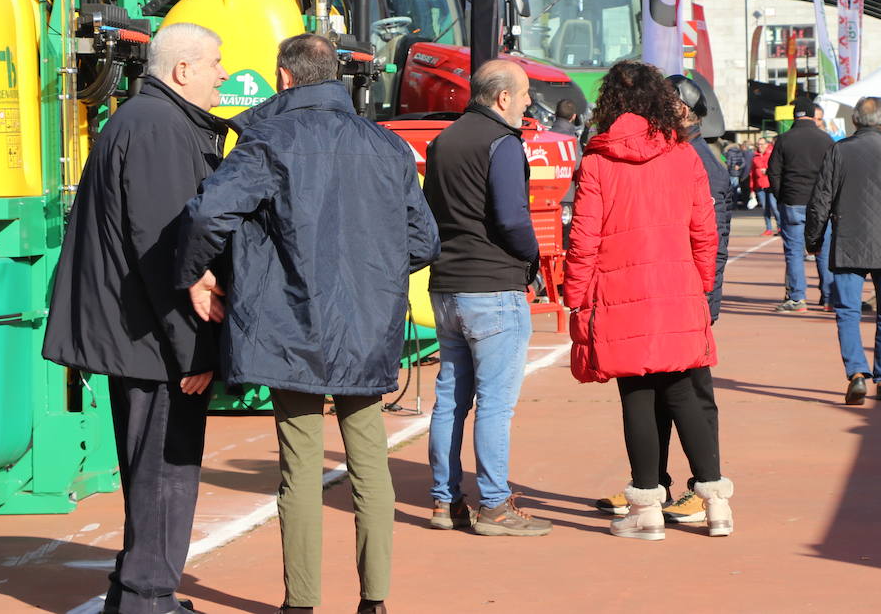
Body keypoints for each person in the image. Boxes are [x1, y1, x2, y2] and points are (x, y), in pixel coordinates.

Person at [174, 33, 440, 614]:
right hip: (368, 326)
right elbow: (424, 240)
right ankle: (375, 600)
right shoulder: (385, 145)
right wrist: (375, 274)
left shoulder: (268, 138)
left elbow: (208, 215)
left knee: (299, 467)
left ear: (285, 78)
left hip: (288, 322)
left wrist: (198, 275)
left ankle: (302, 603)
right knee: (369, 464)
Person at [43, 23, 231, 614]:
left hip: (138, 334)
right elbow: (166, 251)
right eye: (215, 64)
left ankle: (137, 589)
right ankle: (149, 598)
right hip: (152, 339)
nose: (223, 74)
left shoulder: (144, 120)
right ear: (182, 71)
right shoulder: (159, 128)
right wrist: (194, 350)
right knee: (165, 471)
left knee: (150, 466)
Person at [565, 62, 731, 541]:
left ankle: (646, 506)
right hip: (678, 290)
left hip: (619, 294)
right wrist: (699, 284)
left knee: (637, 395)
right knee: (686, 394)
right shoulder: (685, 157)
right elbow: (706, 232)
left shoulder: (598, 161)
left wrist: (576, 295)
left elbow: (584, 238)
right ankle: (715, 503)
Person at [421, 59, 550, 536]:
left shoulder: (444, 141)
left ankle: (444, 500)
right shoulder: (504, 144)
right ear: (502, 98)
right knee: (495, 403)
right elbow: (513, 219)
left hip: (448, 283)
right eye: (524, 94)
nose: (529, 101)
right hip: (492, 285)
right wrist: (532, 262)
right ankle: (494, 505)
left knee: (450, 399)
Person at [807, 97, 881, 403]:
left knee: (847, 311)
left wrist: (814, 239)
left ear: (856, 121)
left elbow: (821, 199)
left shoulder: (840, 150)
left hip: (848, 240)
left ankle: (857, 373)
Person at [768, 98, 834, 312]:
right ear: (813, 115)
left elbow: (774, 172)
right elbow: (834, 173)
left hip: (793, 200)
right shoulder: (826, 139)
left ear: (794, 115)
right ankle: (829, 296)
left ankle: (797, 298)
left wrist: (782, 196)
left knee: (794, 251)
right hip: (821, 203)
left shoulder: (784, 140)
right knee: (824, 250)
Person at [750, 137, 777, 235]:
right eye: (758, 144)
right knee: (765, 208)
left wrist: (767, 171)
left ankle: (780, 226)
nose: (760, 146)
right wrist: (752, 189)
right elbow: (752, 173)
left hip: (770, 185)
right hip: (760, 186)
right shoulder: (755, 156)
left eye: (762, 144)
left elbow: (776, 168)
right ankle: (768, 228)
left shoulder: (772, 153)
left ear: (766, 144)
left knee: (774, 206)